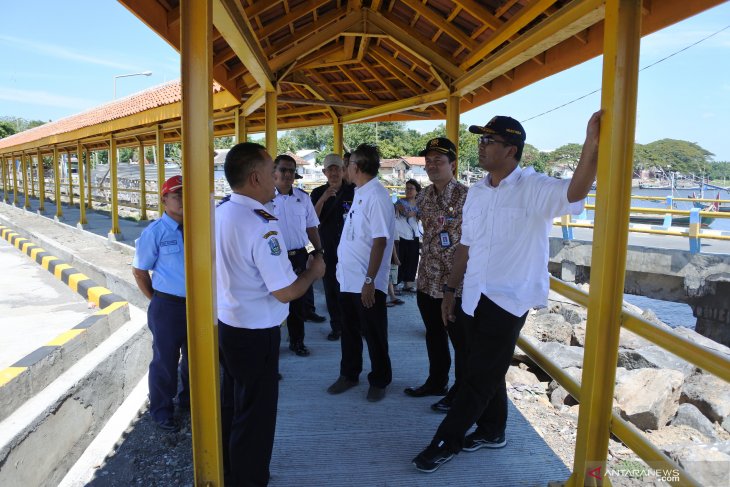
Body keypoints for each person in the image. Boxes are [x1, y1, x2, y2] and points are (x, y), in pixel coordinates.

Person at [413, 111, 602, 472]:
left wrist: (590, 144)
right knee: (481, 367)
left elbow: (575, 191)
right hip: (472, 295)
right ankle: (492, 430)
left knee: (477, 375)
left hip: (508, 300)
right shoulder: (479, 191)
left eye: (489, 141)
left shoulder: (533, 187)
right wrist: (451, 291)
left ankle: (445, 441)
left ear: (511, 149)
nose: (481, 147)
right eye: (480, 140)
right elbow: (466, 246)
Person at [216, 142, 325, 486]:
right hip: (256, 335)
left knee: (232, 408)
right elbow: (285, 290)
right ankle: (249, 479)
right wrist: (313, 272)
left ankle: (228, 470)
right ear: (254, 178)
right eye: (270, 173)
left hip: (228, 325)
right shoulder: (263, 225)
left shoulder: (219, 213)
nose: (275, 179)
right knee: (256, 418)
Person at [403, 138, 468, 415]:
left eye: (438, 161)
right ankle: (437, 381)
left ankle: (460, 392)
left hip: (456, 284)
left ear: (453, 164)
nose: (432, 166)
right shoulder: (425, 196)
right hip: (427, 279)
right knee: (433, 335)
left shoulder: (467, 196)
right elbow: (420, 223)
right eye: (428, 162)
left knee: (461, 342)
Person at [327, 143, 395, 402]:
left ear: (356, 167)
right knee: (350, 330)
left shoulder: (376, 195)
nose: (345, 168)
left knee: (375, 332)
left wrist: (369, 281)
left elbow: (380, 240)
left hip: (366, 281)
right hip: (348, 278)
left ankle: (380, 379)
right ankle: (349, 374)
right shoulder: (360, 191)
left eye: (347, 164)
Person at [131, 175, 189, 432]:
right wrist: (157, 301)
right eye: (177, 195)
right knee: (165, 360)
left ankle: (190, 401)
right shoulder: (155, 232)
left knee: (195, 358)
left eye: (186, 194)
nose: (183, 200)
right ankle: (162, 410)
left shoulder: (200, 228)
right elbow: (139, 272)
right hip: (168, 306)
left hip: (198, 305)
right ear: (164, 199)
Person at [271, 154, 323, 356]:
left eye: (291, 170)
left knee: (298, 303)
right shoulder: (265, 199)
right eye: (283, 169)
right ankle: (271, 348)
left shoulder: (303, 198)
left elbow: (312, 227)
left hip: (299, 255)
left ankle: (297, 341)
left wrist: (319, 252)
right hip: (273, 257)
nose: (287, 174)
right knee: (273, 302)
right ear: (274, 172)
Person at [310, 153, 355, 341]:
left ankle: (354, 326)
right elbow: (312, 220)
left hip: (352, 249)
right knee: (331, 289)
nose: (334, 172)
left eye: (337, 168)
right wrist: (324, 198)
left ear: (344, 170)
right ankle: (336, 326)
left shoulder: (354, 191)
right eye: (330, 169)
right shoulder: (318, 192)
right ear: (324, 172)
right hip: (328, 248)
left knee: (351, 288)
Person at [395, 179, 421, 291]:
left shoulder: (420, 203)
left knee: (413, 259)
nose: (408, 190)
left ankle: (409, 284)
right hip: (401, 235)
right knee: (401, 259)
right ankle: (396, 283)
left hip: (414, 235)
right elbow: (406, 213)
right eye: (407, 188)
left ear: (417, 191)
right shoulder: (400, 202)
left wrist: (417, 213)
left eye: (411, 188)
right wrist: (416, 212)